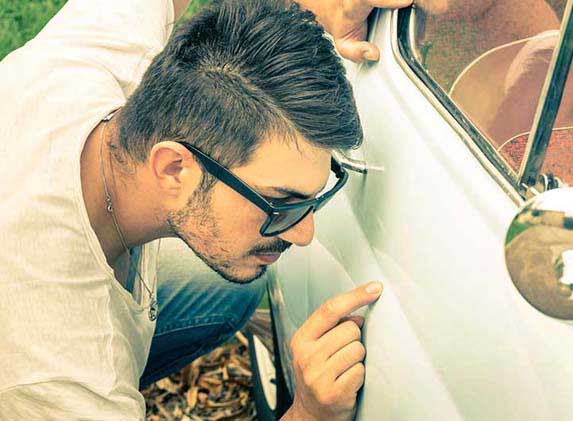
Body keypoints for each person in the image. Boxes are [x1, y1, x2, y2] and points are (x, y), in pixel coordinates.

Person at [0, 0, 411, 419]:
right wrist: (308, 413)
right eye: (279, 203)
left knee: (233, 282)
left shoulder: (93, 55)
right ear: (175, 168)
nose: (304, 234)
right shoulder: (58, 368)